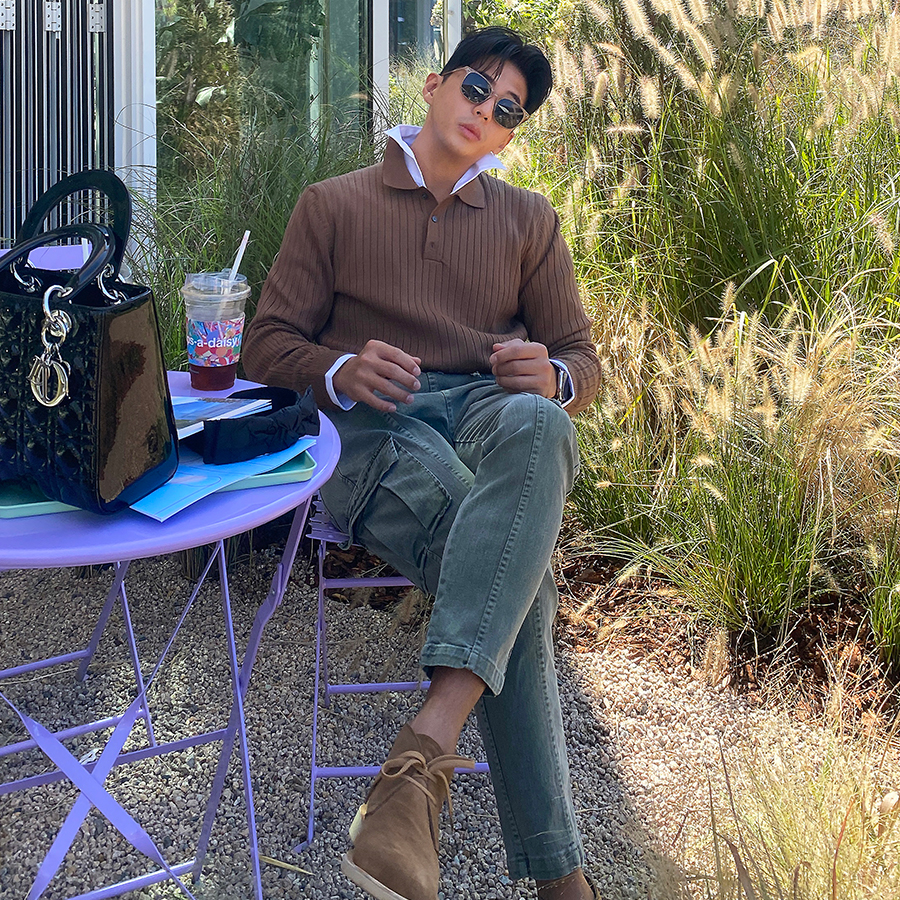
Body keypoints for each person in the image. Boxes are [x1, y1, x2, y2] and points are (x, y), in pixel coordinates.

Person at [243, 26, 602, 900]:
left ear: (513, 131)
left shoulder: (529, 222)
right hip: (376, 426)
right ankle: (560, 879)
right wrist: (339, 368)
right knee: (520, 584)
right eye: (476, 87)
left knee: (542, 425)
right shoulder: (333, 205)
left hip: (482, 412)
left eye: (507, 108)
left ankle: (421, 757)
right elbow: (264, 346)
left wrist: (553, 376)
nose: (485, 110)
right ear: (437, 84)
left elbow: (583, 363)